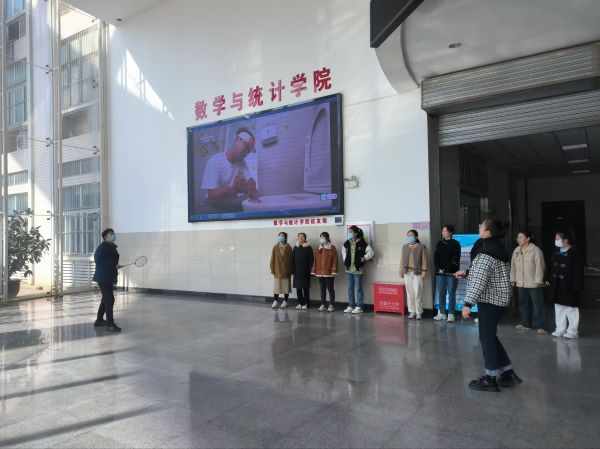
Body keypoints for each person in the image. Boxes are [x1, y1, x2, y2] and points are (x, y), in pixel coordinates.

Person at [461, 219, 521, 392]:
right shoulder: (498, 248)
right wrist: (467, 272)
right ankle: (508, 373)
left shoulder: (485, 253)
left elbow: (479, 281)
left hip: (490, 300)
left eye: (482, 226)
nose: (479, 227)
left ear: (488, 232)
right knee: (490, 336)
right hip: (499, 299)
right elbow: (489, 273)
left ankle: (490, 378)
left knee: (486, 338)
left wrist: (468, 303)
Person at [201, 128, 259, 212]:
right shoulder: (214, 161)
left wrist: (251, 187)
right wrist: (235, 189)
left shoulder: (242, 162)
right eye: (246, 147)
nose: (246, 153)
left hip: (231, 203)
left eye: (249, 151)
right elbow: (211, 195)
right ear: (237, 140)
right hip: (214, 204)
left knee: (252, 202)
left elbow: (251, 180)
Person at [510, 230, 547, 335]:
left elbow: (540, 266)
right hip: (520, 282)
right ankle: (525, 323)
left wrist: (538, 281)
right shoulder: (516, 250)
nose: (518, 239)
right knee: (523, 303)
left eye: (521, 237)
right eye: (518, 237)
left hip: (533, 283)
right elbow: (513, 267)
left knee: (537, 304)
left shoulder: (535, 250)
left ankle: (541, 326)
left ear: (528, 239)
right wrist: (513, 279)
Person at [550, 230, 584, 339]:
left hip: (570, 285)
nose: (556, 241)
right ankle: (560, 329)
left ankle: (573, 331)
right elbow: (552, 268)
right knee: (559, 307)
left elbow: (578, 271)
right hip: (557, 284)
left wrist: (577, 286)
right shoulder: (556, 251)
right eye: (556, 238)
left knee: (571, 308)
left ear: (565, 240)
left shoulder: (575, 251)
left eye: (558, 239)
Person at [93, 228, 123, 332]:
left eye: (113, 233)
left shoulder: (111, 247)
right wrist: (112, 266)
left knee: (105, 299)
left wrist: (115, 266)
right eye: (111, 234)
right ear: (105, 237)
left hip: (108, 276)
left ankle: (99, 320)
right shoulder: (102, 248)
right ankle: (110, 323)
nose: (113, 235)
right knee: (110, 300)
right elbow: (98, 261)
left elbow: (110, 261)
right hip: (103, 277)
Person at [342, 226, 374, 314]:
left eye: (351, 232)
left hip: (358, 269)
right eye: (349, 232)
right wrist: (345, 261)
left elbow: (371, 252)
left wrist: (365, 257)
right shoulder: (347, 243)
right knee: (350, 289)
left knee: (358, 288)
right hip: (349, 269)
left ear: (356, 233)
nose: (349, 234)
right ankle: (351, 305)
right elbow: (343, 252)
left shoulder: (362, 243)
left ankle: (359, 306)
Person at [433, 225, 461, 322]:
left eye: (445, 231)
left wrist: (445, 269)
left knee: (451, 293)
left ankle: (451, 314)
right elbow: (436, 257)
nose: (443, 232)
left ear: (450, 232)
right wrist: (439, 268)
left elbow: (455, 259)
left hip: (451, 273)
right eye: (442, 231)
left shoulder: (456, 244)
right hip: (440, 273)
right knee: (441, 293)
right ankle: (442, 313)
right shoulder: (439, 243)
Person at [399, 230, 428, 320]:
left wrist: (424, 272)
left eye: (411, 236)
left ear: (416, 237)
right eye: (408, 236)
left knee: (418, 293)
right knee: (409, 293)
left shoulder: (421, 247)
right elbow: (402, 260)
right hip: (407, 273)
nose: (410, 237)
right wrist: (401, 271)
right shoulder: (404, 247)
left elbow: (425, 261)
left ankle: (419, 312)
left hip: (417, 273)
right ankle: (412, 311)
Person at [311, 232, 338, 312]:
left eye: (323, 237)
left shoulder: (332, 248)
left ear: (327, 238)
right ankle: (323, 304)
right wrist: (314, 270)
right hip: (320, 273)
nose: (321, 239)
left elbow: (335, 259)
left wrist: (334, 270)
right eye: (321, 237)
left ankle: (332, 305)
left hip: (329, 272)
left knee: (330, 289)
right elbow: (315, 260)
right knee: (322, 289)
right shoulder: (319, 248)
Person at [270, 232, 293, 309]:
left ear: (285, 238)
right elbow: (272, 259)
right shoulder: (275, 247)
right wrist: (272, 269)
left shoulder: (289, 247)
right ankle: (275, 301)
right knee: (277, 288)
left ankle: (285, 301)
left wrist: (291, 270)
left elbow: (292, 260)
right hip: (277, 270)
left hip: (286, 271)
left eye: (282, 236)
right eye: (279, 236)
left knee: (286, 288)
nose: (280, 237)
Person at [292, 232, 314, 310]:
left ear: (305, 238)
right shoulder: (295, 247)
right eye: (299, 237)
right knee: (298, 289)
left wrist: (311, 270)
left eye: (302, 237)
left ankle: (306, 303)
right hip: (297, 271)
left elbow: (311, 260)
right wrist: (292, 270)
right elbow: (292, 259)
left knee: (305, 289)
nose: (301, 238)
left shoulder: (309, 248)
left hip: (306, 271)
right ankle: (300, 303)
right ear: (297, 238)